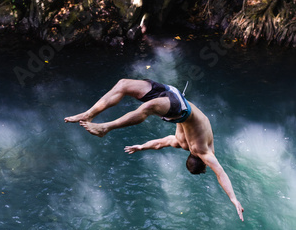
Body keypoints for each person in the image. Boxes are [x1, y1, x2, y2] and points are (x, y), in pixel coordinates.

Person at [64, 78, 244, 221]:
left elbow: (220, 173)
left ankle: (105, 128)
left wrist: (233, 198)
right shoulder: (181, 143)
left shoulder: (202, 150)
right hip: (171, 94)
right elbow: (160, 143)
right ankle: (88, 114)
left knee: (146, 108)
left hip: (179, 107)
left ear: (203, 163)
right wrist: (141, 147)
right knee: (124, 84)